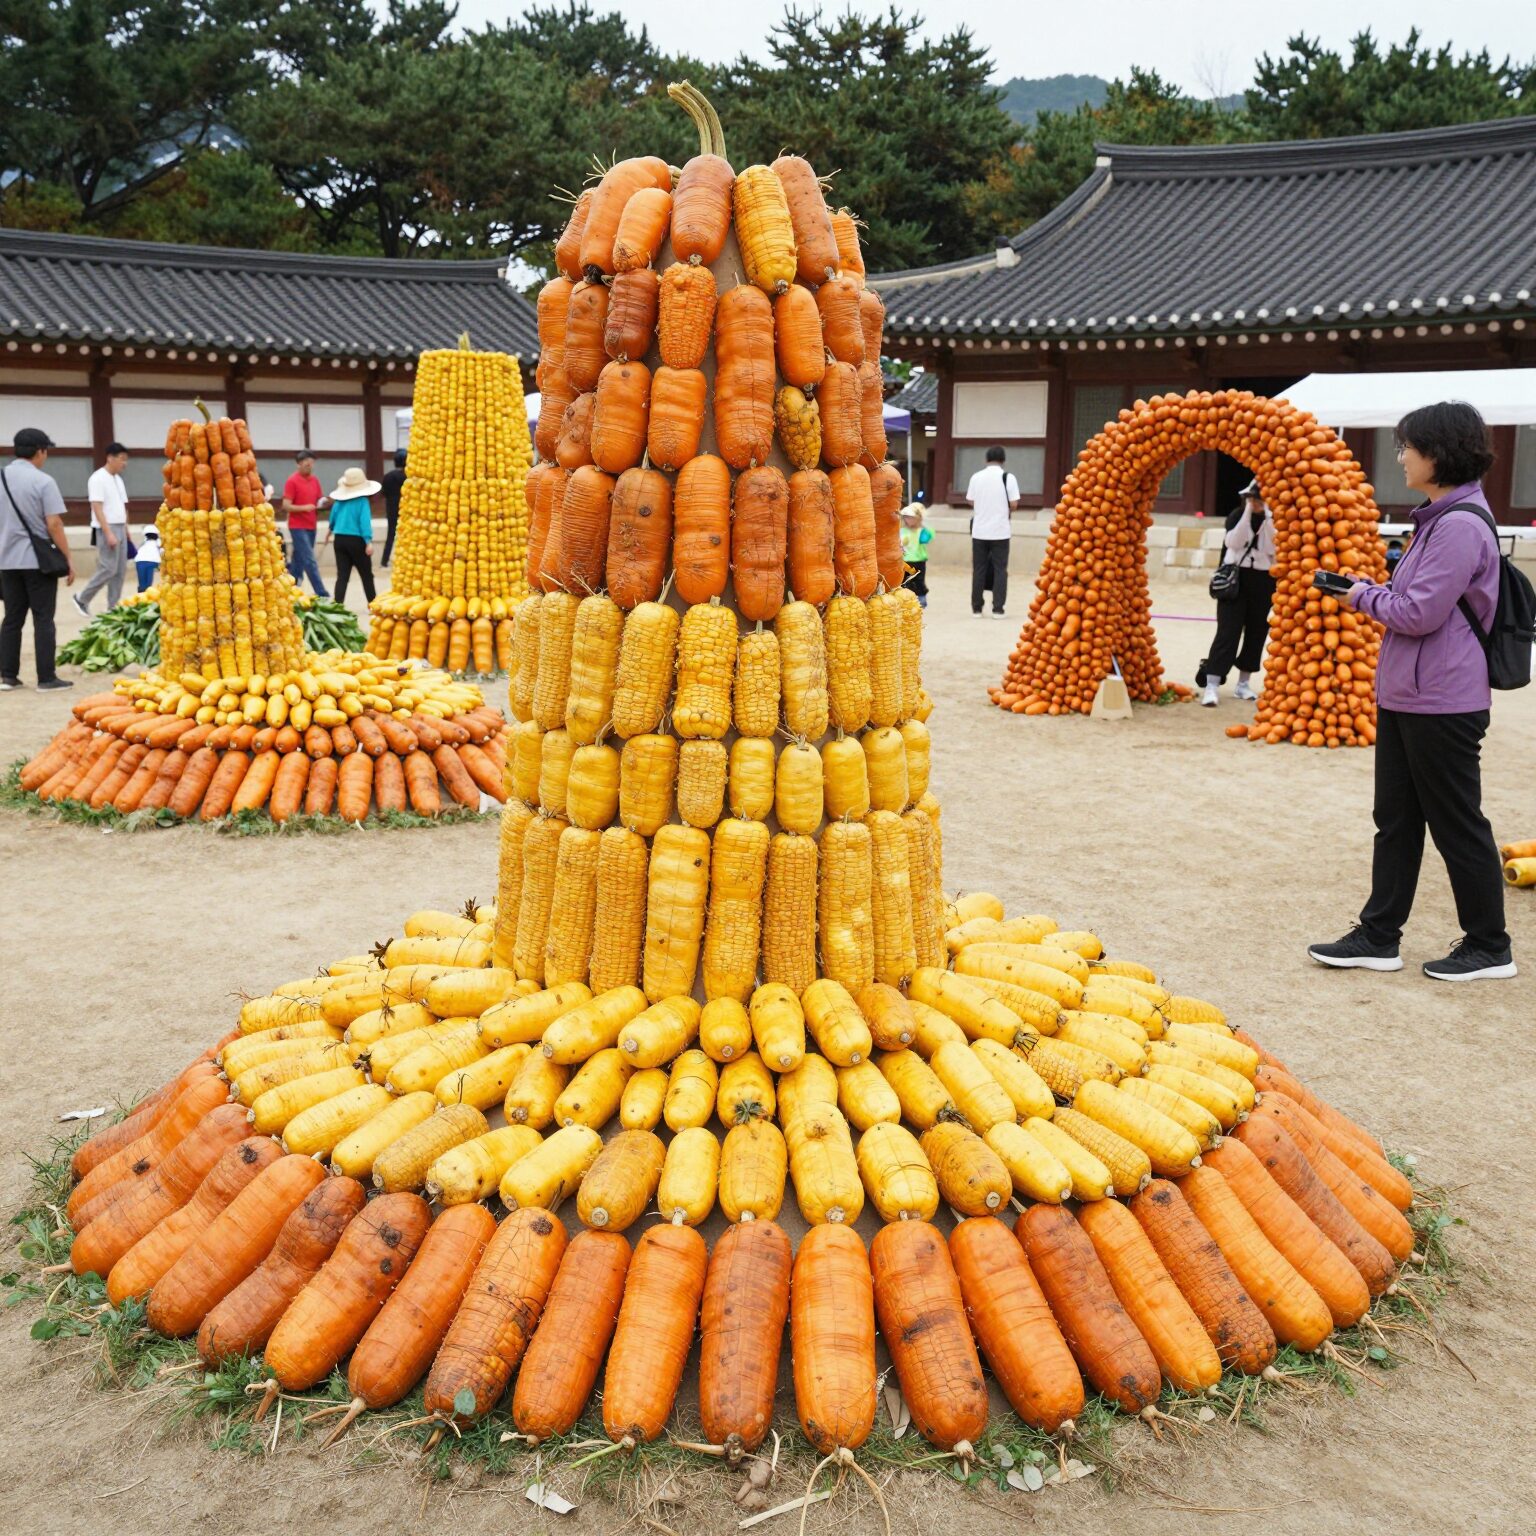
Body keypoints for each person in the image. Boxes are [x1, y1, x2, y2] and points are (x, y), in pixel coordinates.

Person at [1309, 401, 1514, 983]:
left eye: (1407, 447)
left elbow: (1419, 613)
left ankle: (1489, 945)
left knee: (1456, 822)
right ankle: (1378, 935)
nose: (1400, 457)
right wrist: (1372, 589)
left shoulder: (1457, 525)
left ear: (1439, 452)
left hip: (1443, 701)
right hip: (1411, 695)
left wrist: (1356, 596)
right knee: (1395, 820)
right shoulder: (1438, 517)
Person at [0, 427, 75, 691]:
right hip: (37, 562)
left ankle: (8, 676)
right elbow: (54, 524)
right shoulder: (43, 481)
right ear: (40, 451)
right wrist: (68, 559)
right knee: (43, 619)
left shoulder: (1, 477)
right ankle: (46, 678)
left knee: (12, 619)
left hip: (6, 561)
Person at [1199, 480, 1275, 706]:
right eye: (1254, 498)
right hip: (1236, 579)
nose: (1257, 502)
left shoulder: (1273, 521)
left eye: (1260, 499)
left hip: (1262, 580)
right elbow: (1234, 541)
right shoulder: (1236, 516)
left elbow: (1272, 547)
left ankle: (1243, 684)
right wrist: (1248, 512)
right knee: (1227, 632)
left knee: (1257, 631)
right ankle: (1212, 684)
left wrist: (1268, 517)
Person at [73, 442, 130, 616]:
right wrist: (108, 533)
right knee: (108, 568)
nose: (124, 463)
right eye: (121, 459)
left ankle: (113, 607)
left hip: (120, 526)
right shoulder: (98, 478)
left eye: (126, 460)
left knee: (120, 570)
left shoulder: (118, 479)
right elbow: (97, 507)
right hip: (106, 527)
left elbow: (123, 506)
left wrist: (126, 530)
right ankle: (82, 598)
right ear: (110, 458)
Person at [964, 446, 1019, 618]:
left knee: (978, 569)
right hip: (1000, 531)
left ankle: (977, 608)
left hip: (979, 531)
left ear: (986, 459)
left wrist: (983, 505)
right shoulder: (1008, 478)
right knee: (1000, 570)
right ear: (1003, 460)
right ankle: (998, 609)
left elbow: (970, 500)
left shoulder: (976, 477)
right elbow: (1014, 504)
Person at [322, 466, 380, 605]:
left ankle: (337, 605)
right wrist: (368, 542)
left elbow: (333, 519)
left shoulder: (339, 501)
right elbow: (364, 523)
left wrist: (329, 533)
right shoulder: (362, 501)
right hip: (357, 541)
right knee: (366, 575)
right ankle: (372, 604)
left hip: (340, 540)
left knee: (342, 576)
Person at [282, 451, 329, 596]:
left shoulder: (315, 480)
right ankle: (322, 593)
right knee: (309, 559)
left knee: (299, 558)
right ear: (298, 463)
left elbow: (319, 500)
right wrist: (305, 507)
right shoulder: (292, 481)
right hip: (297, 526)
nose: (309, 464)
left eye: (311, 461)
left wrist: (325, 503)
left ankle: (290, 587)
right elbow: (286, 505)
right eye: (306, 461)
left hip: (311, 525)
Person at [899, 500, 932, 606]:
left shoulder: (921, 531)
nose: (907, 519)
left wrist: (922, 526)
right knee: (904, 581)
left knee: (919, 581)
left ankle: (921, 599)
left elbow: (927, 538)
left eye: (910, 517)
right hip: (904, 561)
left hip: (918, 560)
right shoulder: (901, 531)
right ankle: (905, 600)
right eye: (906, 517)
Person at [380, 450, 407, 567]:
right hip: (405, 509)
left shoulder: (387, 476)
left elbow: (383, 493)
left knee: (390, 535)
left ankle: (384, 560)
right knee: (406, 535)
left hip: (390, 509)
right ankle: (404, 559)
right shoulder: (407, 477)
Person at [135, 526, 162, 592]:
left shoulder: (144, 542)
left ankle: (142, 594)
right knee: (148, 582)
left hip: (140, 562)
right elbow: (162, 552)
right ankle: (145, 594)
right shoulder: (158, 542)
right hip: (152, 562)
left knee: (142, 582)